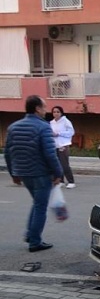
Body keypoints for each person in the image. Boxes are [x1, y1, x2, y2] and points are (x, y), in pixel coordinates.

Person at [4, 95, 63, 252]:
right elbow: (50, 154)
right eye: (44, 107)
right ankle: (35, 242)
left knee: (37, 203)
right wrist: (58, 173)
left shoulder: (13, 127)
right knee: (40, 207)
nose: (46, 110)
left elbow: (8, 153)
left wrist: (13, 174)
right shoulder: (43, 127)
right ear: (37, 108)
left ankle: (30, 234)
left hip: (23, 173)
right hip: (41, 174)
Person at [50, 106, 76, 188]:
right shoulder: (51, 123)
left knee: (64, 164)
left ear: (61, 113)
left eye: (58, 112)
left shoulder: (65, 121)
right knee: (57, 164)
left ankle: (71, 181)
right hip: (55, 145)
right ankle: (60, 180)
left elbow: (71, 132)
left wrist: (59, 133)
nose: (56, 114)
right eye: (54, 112)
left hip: (63, 145)